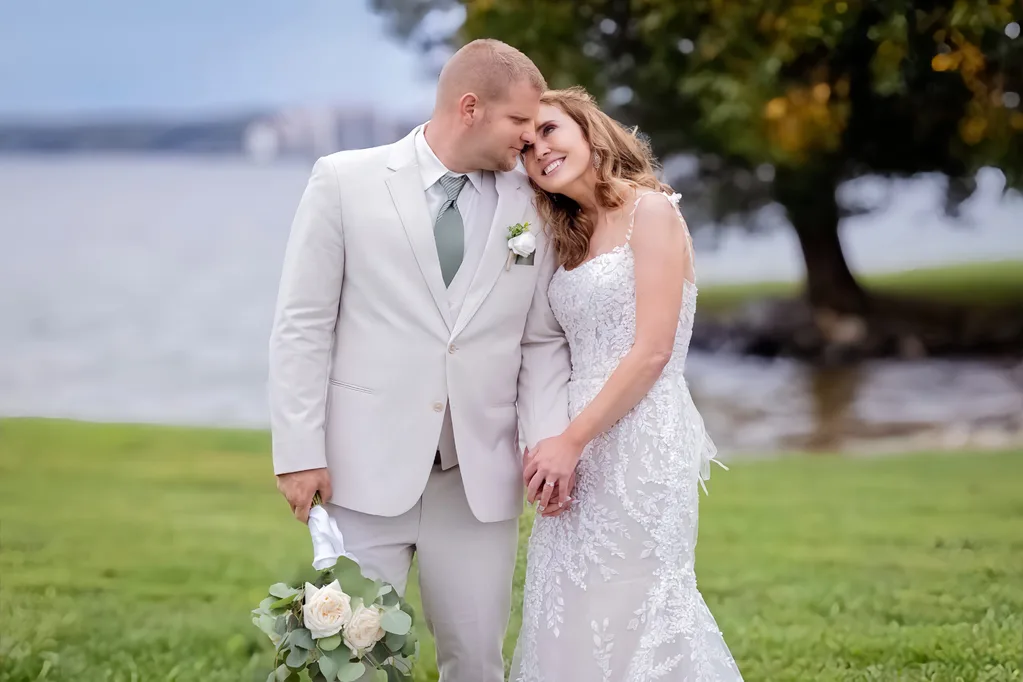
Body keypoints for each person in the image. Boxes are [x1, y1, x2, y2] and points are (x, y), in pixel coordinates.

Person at [267, 39, 571, 682]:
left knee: (476, 661)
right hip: (360, 474)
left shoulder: (534, 204)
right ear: (470, 108)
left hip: (478, 482)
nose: (532, 139)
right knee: (345, 660)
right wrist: (298, 450)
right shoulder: (344, 180)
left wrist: (547, 443)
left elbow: (541, 341)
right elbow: (303, 325)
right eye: (520, 121)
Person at [510, 86, 744, 681]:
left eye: (550, 131)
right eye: (527, 145)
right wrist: (549, 440)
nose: (540, 150)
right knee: (566, 601)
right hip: (574, 443)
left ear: (588, 129)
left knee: (638, 603)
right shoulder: (568, 237)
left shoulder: (653, 211)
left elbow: (652, 351)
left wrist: (571, 441)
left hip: (639, 438)